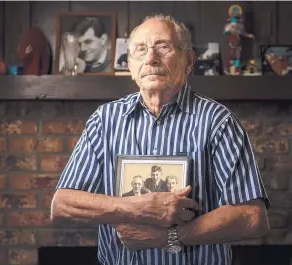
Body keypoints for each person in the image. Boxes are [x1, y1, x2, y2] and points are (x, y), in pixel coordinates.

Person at [51, 14, 270, 265]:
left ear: (188, 61)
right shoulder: (105, 120)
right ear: (130, 66)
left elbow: (253, 217)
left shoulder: (218, 121)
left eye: (163, 47)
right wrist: (137, 208)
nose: (150, 59)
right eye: (140, 50)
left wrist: (170, 236)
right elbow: (62, 205)